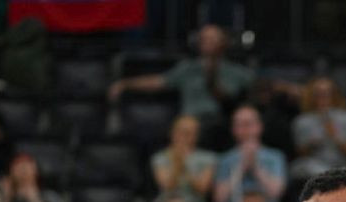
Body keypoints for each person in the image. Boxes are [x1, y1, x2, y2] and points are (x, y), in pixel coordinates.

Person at [108, 24, 254, 142]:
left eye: (213, 39)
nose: (208, 42)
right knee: (182, 128)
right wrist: (125, 83)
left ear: (224, 43)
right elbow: (158, 81)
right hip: (190, 123)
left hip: (220, 124)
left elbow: (254, 88)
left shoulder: (235, 71)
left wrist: (212, 76)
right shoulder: (188, 68)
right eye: (204, 39)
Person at [213, 104, 288, 202]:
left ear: (259, 126)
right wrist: (241, 167)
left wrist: (255, 167)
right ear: (234, 129)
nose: (245, 129)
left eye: (249, 124)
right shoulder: (225, 159)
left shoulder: (275, 156)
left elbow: (277, 193)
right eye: (240, 125)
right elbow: (219, 200)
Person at [289, 77, 346, 181]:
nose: (323, 96)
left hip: (342, 166)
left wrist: (335, 137)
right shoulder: (302, 121)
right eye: (318, 93)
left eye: (327, 93)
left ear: (335, 94)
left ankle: (329, 177)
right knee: (299, 167)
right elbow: (300, 153)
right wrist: (312, 144)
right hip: (311, 167)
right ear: (312, 95)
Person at [151, 114, 217, 202]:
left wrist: (184, 165)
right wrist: (177, 165)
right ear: (172, 133)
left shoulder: (208, 158)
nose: (184, 136)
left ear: (196, 136)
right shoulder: (160, 157)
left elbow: (202, 189)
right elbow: (166, 186)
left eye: (189, 133)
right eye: (181, 131)